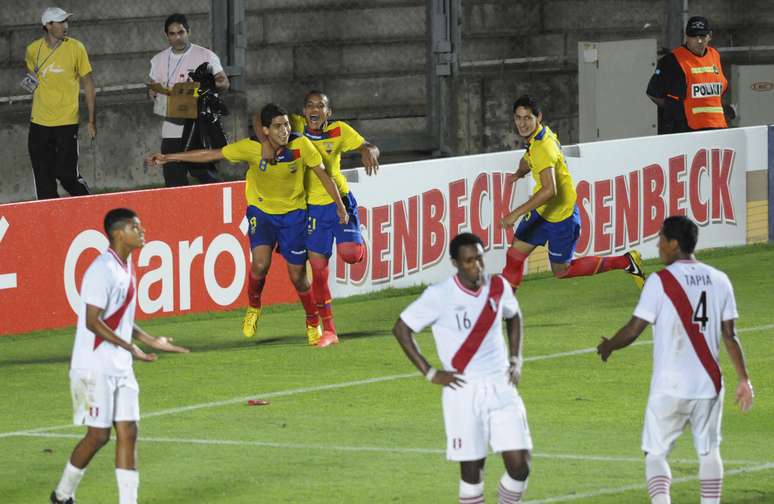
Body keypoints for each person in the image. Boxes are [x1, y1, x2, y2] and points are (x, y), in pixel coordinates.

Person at [146, 103, 348, 346]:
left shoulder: (301, 145)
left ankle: (311, 320)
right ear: (265, 130)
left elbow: (323, 174)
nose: (284, 130)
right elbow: (212, 154)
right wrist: (168, 157)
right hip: (261, 212)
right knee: (260, 265)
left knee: (298, 277)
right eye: (277, 127)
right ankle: (253, 307)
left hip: (293, 215)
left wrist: (340, 205)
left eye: (286, 125)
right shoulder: (251, 148)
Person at [597, 215, 754, 504]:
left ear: (674, 244)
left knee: (655, 453)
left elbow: (634, 329)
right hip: (708, 384)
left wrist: (609, 346)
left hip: (669, 386)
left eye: (661, 240)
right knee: (709, 451)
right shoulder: (720, 280)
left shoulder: (659, 282)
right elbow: (730, 335)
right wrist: (744, 379)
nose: (658, 246)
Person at [50, 208, 189, 504]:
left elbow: (120, 317)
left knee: (129, 430)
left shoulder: (125, 266)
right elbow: (92, 321)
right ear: (118, 233)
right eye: (135, 227)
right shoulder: (102, 270)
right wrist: (130, 347)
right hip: (93, 366)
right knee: (98, 436)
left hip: (120, 366)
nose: (142, 231)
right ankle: (62, 494)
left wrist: (149, 339)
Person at [393, 232, 532, 504]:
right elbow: (402, 329)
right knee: (472, 473)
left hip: (501, 385)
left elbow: (513, 315)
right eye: (469, 261)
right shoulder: (439, 295)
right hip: (463, 390)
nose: (476, 266)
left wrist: (516, 359)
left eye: (479, 258)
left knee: (520, 466)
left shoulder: (498, 287)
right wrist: (430, 372)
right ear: (455, 263)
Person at [253, 91, 379, 347]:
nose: (314, 109)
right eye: (309, 105)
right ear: (303, 110)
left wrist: (370, 150)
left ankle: (357, 243)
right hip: (311, 211)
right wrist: (264, 141)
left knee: (351, 254)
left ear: (328, 113)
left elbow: (367, 145)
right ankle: (329, 330)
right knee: (319, 274)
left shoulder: (339, 131)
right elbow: (258, 115)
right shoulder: (295, 126)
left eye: (320, 106)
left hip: (338, 201)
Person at [500, 94, 645, 291]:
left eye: (527, 118)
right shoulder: (540, 136)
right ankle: (505, 309)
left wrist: (514, 213)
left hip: (562, 217)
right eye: (518, 118)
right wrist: (519, 173)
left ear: (538, 117)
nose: (522, 123)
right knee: (514, 255)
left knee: (561, 271)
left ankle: (625, 261)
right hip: (542, 212)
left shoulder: (544, 147)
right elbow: (529, 158)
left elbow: (550, 190)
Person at [148, 13, 229, 187]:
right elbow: (152, 87)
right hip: (172, 125)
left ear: (188, 32)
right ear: (166, 35)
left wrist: (207, 86)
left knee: (205, 175)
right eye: (172, 34)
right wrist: (154, 94)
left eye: (181, 32)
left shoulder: (205, 55)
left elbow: (224, 82)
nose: (177, 37)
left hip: (198, 125)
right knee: (173, 178)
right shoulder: (158, 60)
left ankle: (221, 206)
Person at [25, 7, 95, 200]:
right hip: (39, 122)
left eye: (66, 21)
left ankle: (91, 206)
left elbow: (88, 82)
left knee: (67, 175)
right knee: (43, 179)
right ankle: (52, 223)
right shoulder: (32, 50)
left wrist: (91, 119)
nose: (66, 26)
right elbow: (32, 78)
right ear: (48, 26)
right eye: (60, 22)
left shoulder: (76, 48)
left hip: (66, 122)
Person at [646, 16, 729, 134]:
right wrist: (676, 111)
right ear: (686, 36)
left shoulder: (714, 56)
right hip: (686, 131)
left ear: (710, 36)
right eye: (693, 36)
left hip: (717, 128)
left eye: (702, 36)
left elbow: (720, 89)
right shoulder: (671, 61)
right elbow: (653, 93)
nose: (699, 40)